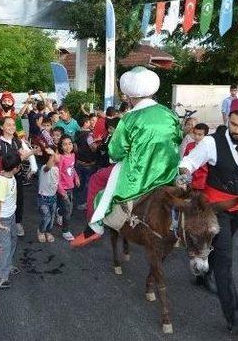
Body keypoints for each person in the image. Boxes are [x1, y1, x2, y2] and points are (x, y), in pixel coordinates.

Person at [179, 98, 238, 335]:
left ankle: (203, 275)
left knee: (216, 249)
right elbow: (188, 162)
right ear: (228, 119)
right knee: (225, 260)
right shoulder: (211, 142)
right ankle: (235, 319)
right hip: (214, 210)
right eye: (233, 125)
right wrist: (184, 174)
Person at [72, 66, 181, 247]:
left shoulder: (129, 117)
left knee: (97, 179)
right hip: (168, 170)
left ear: (130, 97)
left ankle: (95, 226)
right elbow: (178, 137)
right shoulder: (169, 113)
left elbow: (115, 152)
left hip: (140, 174)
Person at [0, 116, 38, 237]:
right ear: (1, 127)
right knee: (1, 201)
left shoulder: (18, 141)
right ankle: (0, 223)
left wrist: (33, 169)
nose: (12, 127)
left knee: (18, 200)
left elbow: (28, 155)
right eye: (8, 124)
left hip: (17, 176)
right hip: (3, 178)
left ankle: (18, 222)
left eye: (13, 125)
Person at [0, 153, 22, 289]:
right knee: (6, 247)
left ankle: (9, 264)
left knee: (14, 240)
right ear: (16, 168)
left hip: (11, 214)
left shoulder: (9, 175)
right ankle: (3, 277)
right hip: (3, 218)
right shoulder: (3, 181)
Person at [57, 134, 80, 241]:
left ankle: (59, 212)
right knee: (69, 210)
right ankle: (65, 231)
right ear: (61, 146)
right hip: (63, 188)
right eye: (65, 144)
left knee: (65, 208)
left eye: (70, 143)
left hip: (71, 186)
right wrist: (61, 191)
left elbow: (72, 168)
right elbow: (56, 175)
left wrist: (76, 178)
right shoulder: (60, 158)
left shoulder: (72, 155)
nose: (68, 146)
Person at [75, 115, 99, 211]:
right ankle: (84, 203)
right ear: (85, 123)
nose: (91, 123)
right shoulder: (89, 135)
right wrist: (97, 142)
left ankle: (75, 201)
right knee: (87, 185)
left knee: (78, 183)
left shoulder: (77, 133)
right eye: (89, 122)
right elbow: (93, 148)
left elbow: (75, 148)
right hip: (88, 164)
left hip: (79, 162)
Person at [37, 145, 59, 243]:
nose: (57, 155)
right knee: (46, 217)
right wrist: (52, 155)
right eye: (55, 154)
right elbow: (49, 166)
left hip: (53, 197)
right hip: (43, 198)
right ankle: (41, 231)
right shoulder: (44, 168)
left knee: (52, 217)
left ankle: (48, 231)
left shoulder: (57, 168)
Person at [183, 123, 209, 190]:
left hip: (204, 180)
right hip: (191, 180)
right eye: (195, 134)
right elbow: (185, 160)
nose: (196, 136)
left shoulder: (209, 148)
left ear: (205, 136)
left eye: (200, 135)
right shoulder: (189, 145)